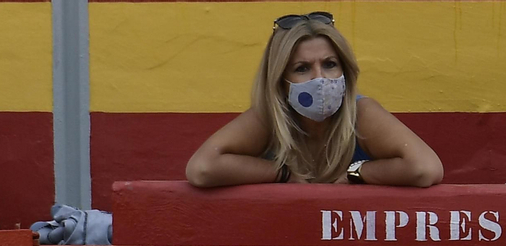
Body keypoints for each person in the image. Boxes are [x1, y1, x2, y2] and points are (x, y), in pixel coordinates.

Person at [186, 12, 442, 189]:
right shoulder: (270, 116)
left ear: (346, 70)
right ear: (279, 80)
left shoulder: (360, 112)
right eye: (302, 68)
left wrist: (355, 173)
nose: (320, 79)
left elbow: (424, 169)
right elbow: (202, 169)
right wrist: (283, 174)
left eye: (330, 64)